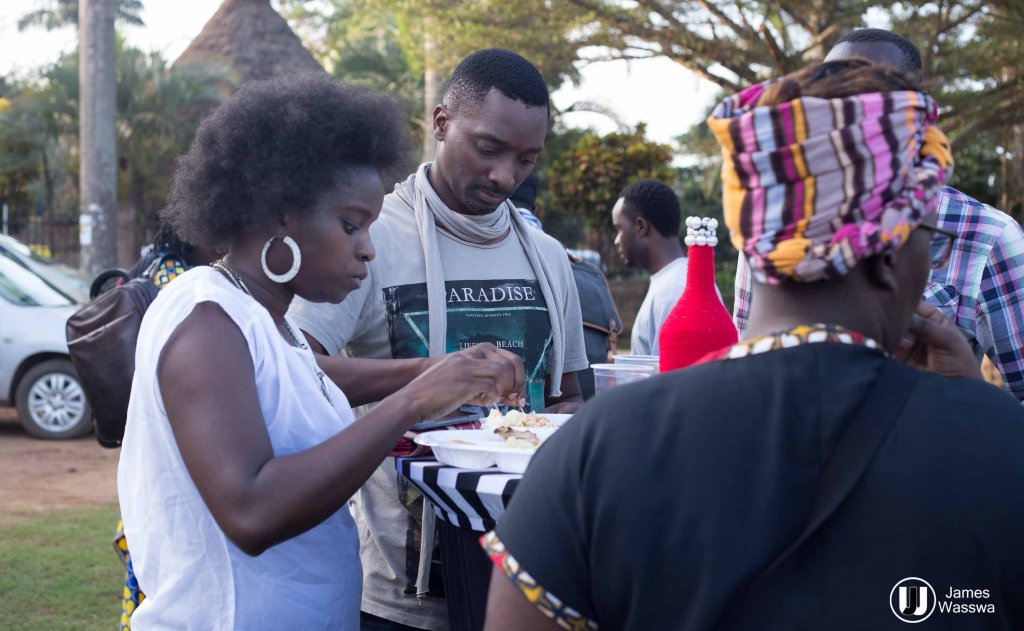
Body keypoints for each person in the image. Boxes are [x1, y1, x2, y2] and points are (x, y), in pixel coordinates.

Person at [483, 60, 1024, 629]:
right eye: (929, 243)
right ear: (888, 255)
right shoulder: (1002, 447)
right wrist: (973, 414)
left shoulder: (594, 448)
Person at [116, 73, 525, 630]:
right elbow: (251, 510)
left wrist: (438, 370)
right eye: (350, 224)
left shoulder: (266, 322)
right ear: (281, 214)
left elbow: (310, 378)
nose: (367, 250)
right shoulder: (206, 317)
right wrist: (411, 402)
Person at [289, 49, 588, 630]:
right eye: (489, 148)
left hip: (527, 578)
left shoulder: (550, 259)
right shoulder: (371, 238)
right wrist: (430, 377)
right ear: (442, 122)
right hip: (402, 592)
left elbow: (564, 400)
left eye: (526, 159)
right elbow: (292, 368)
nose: (506, 176)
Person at [733, 28, 1024, 405]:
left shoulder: (988, 235)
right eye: (834, 93)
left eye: (874, 94)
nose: (852, 110)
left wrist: (967, 406)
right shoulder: (769, 226)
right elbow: (747, 356)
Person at [611, 178, 688, 355]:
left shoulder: (674, 291)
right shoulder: (672, 282)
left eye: (619, 229)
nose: (616, 241)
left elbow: (669, 379)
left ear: (640, 226)